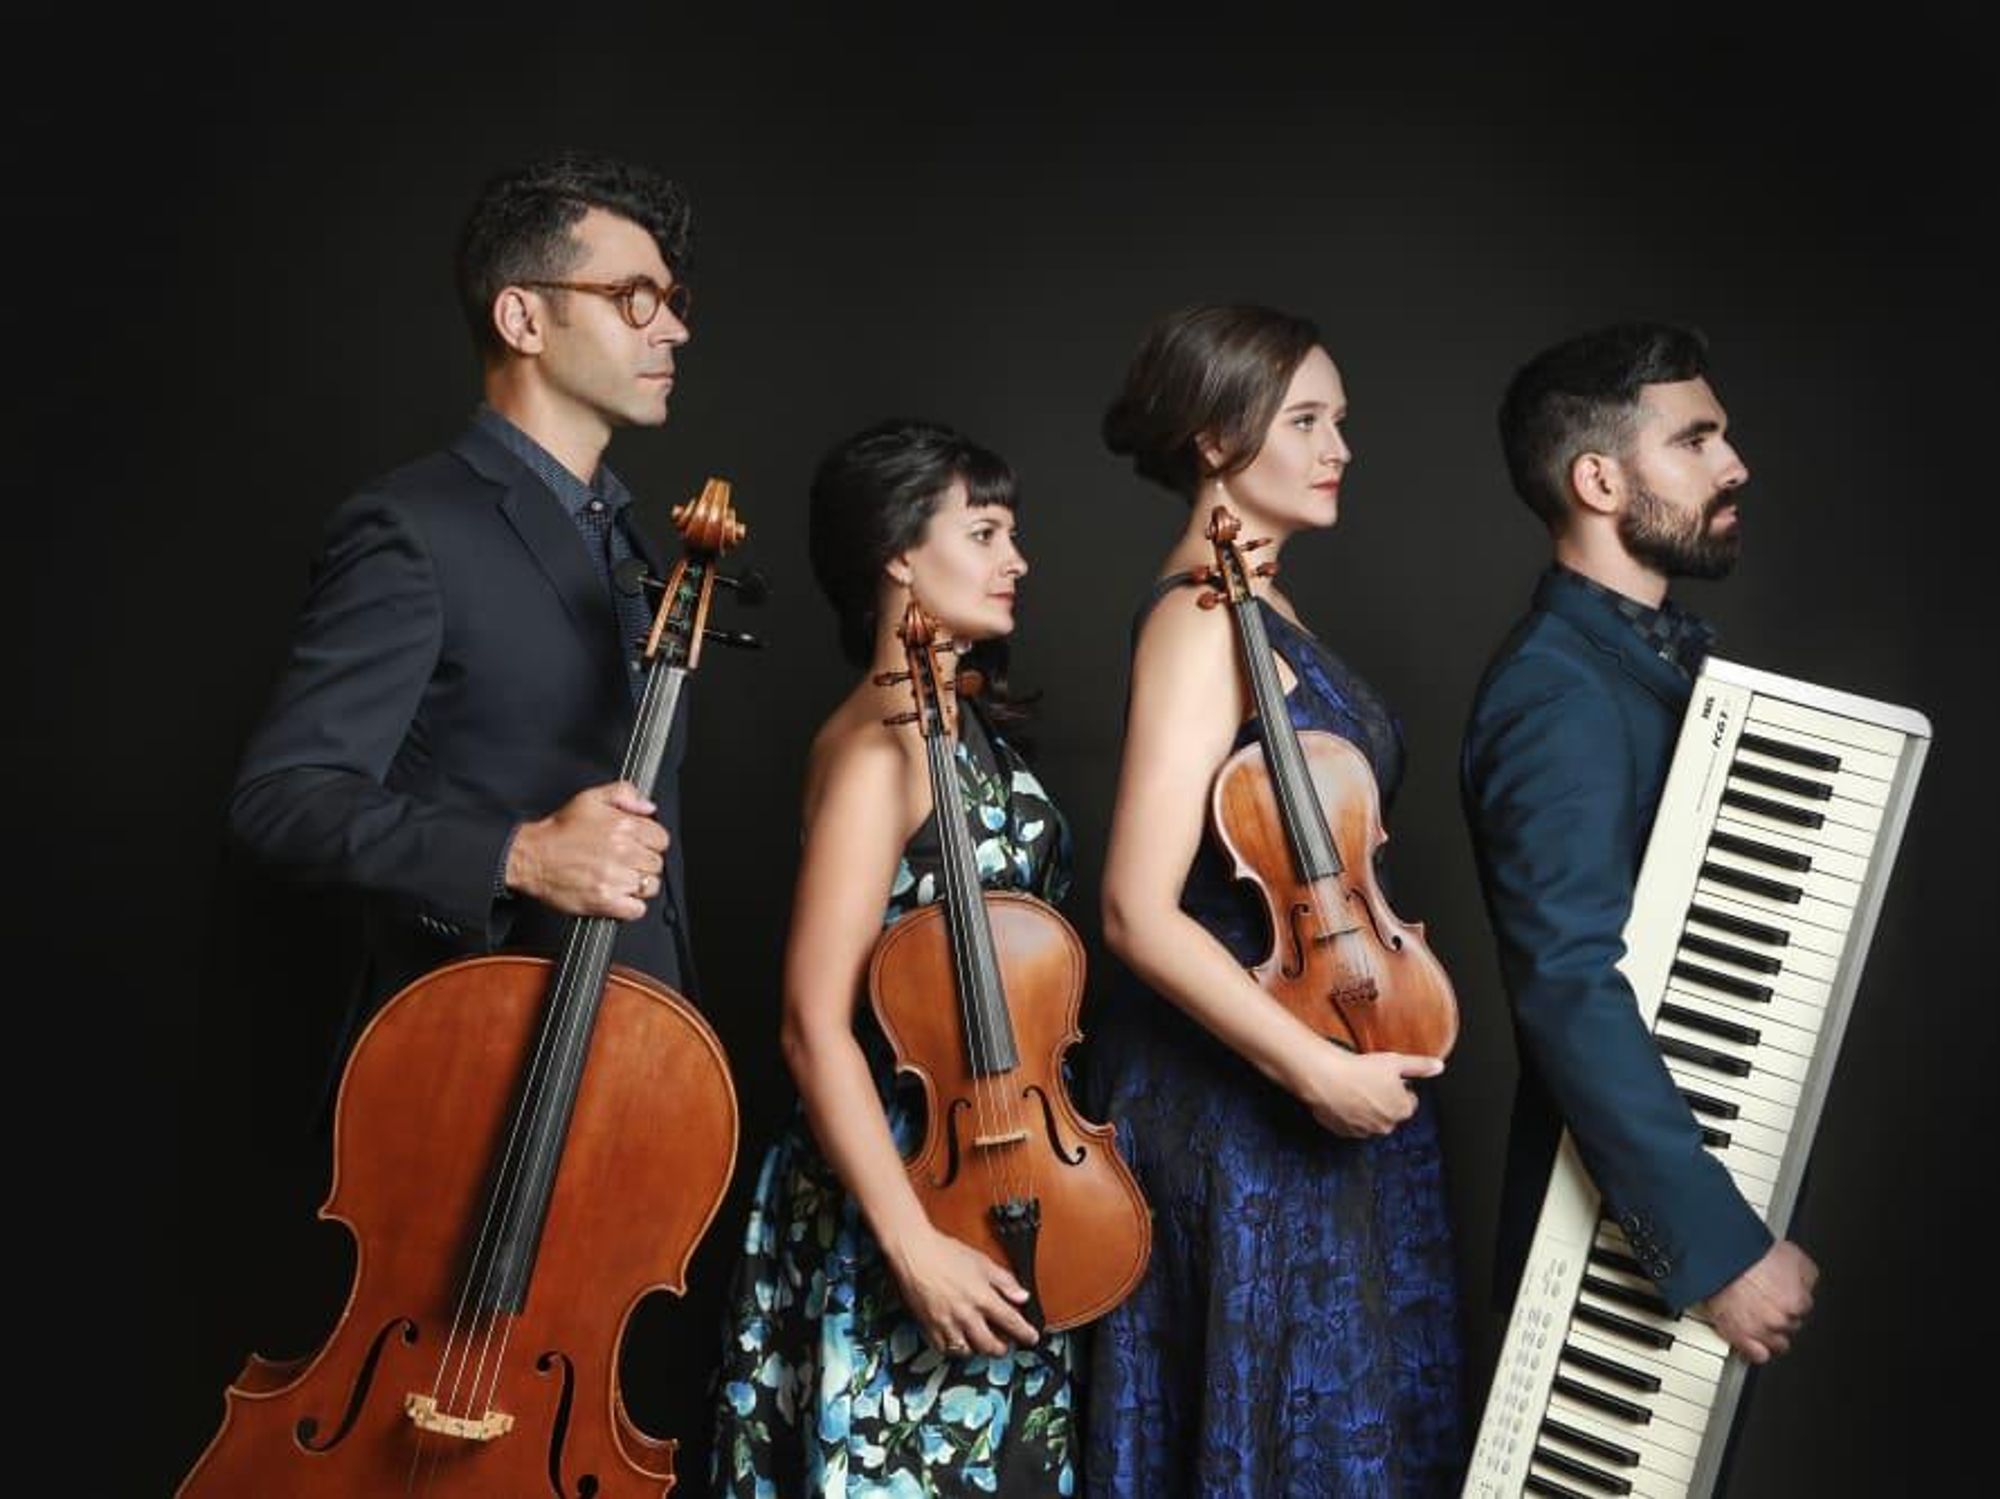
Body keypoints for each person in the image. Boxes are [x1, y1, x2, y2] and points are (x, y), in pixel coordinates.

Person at [1083, 305, 1465, 1496]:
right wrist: (1315, 1070)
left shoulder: (1264, 604)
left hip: (1327, 1066)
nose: (1336, 444)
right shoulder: (1200, 620)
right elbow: (1137, 910)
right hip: (1248, 1109)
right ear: (1212, 438)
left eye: (1337, 419)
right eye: (1303, 419)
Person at [228, 150, 700, 1056]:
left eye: (675, 301)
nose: (672, 327)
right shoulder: (411, 528)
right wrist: (516, 854)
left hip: (639, 1067)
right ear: (523, 315)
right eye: (636, 296)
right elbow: (280, 801)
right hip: (476, 1062)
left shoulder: (633, 543)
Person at [709, 420, 1077, 1496]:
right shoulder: (878, 746)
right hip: (898, 1197)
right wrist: (911, 1245)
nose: (1017, 558)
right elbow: (810, 1022)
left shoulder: (958, 719)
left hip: (999, 1183)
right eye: (985, 530)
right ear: (897, 554)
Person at [1460, 322, 1817, 1369]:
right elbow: (1565, 980)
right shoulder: (1555, 690)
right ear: (1598, 481)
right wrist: (1716, 1254)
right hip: (1623, 1236)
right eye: (1694, 440)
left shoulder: (1631, 664)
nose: (1732, 463)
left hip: (1680, 1174)